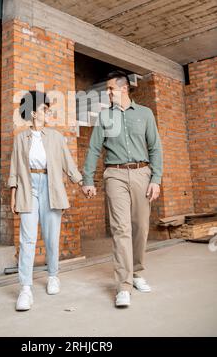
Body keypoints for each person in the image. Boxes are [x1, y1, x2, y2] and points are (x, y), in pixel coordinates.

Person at [82, 71, 163, 308]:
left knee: (140, 227)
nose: (107, 93)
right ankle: (123, 285)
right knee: (121, 229)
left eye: (110, 89)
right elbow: (94, 149)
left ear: (123, 89)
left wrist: (156, 178)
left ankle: (136, 272)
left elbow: (155, 148)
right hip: (114, 174)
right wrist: (87, 179)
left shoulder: (145, 114)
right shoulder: (104, 117)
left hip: (141, 173)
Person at [8, 90, 83, 311]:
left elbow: (68, 164)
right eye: (43, 108)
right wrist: (13, 194)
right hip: (28, 187)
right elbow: (14, 167)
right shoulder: (20, 138)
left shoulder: (56, 137)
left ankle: (53, 276)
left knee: (51, 236)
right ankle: (25, 289)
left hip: (51, 187)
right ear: (33, 113)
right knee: (27, 239)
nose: (47, 112)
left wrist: (82, 183)